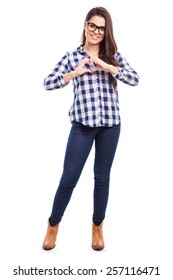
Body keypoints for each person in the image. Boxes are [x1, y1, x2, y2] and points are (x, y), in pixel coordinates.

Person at [42, 6, 139, 251]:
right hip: (82, 126)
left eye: (102, 28)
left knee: (102, 178)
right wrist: (74, 73)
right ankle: (53, 225)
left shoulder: (113, 55)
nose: (97, 31)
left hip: (110, 126)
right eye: (93, 25)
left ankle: (97, 226)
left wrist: (108, 67)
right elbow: (48, 83)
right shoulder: (72, 56)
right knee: (68, 179)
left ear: (107, 32)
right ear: (85, 25)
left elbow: (135, 79)